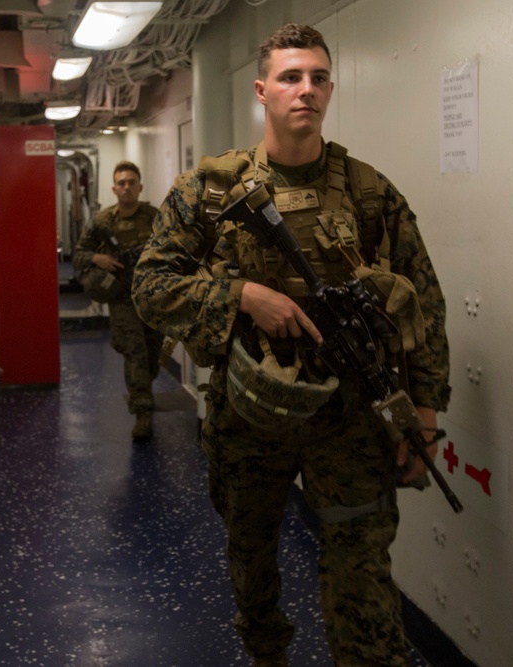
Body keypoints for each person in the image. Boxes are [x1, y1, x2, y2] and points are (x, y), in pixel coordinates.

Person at [132, 23, 451, 666]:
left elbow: (422, 303)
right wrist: (242, 296)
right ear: (262, 91)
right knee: (251, 559)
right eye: (290, 77)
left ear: (330, 89)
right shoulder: (209, 192)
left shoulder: (369, 192)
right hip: (249, 415)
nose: (306, 89)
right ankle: (267, 651)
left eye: (318, 78)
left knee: (363, 575)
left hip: (352, 417)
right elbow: (150, 287)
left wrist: (423, 411)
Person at [73, 161, 164, 441]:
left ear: (140, 187)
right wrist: (97, 258)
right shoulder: (102, 221)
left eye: (131, 183)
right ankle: (142, 413)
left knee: (152, 354)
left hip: (153, 297)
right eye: (121, 183)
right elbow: (79, 254)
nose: (126, 188)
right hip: (122, 298)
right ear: (114, 189)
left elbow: (175, 249)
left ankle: (144, 390)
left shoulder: (155, 217)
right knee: (135, 352)